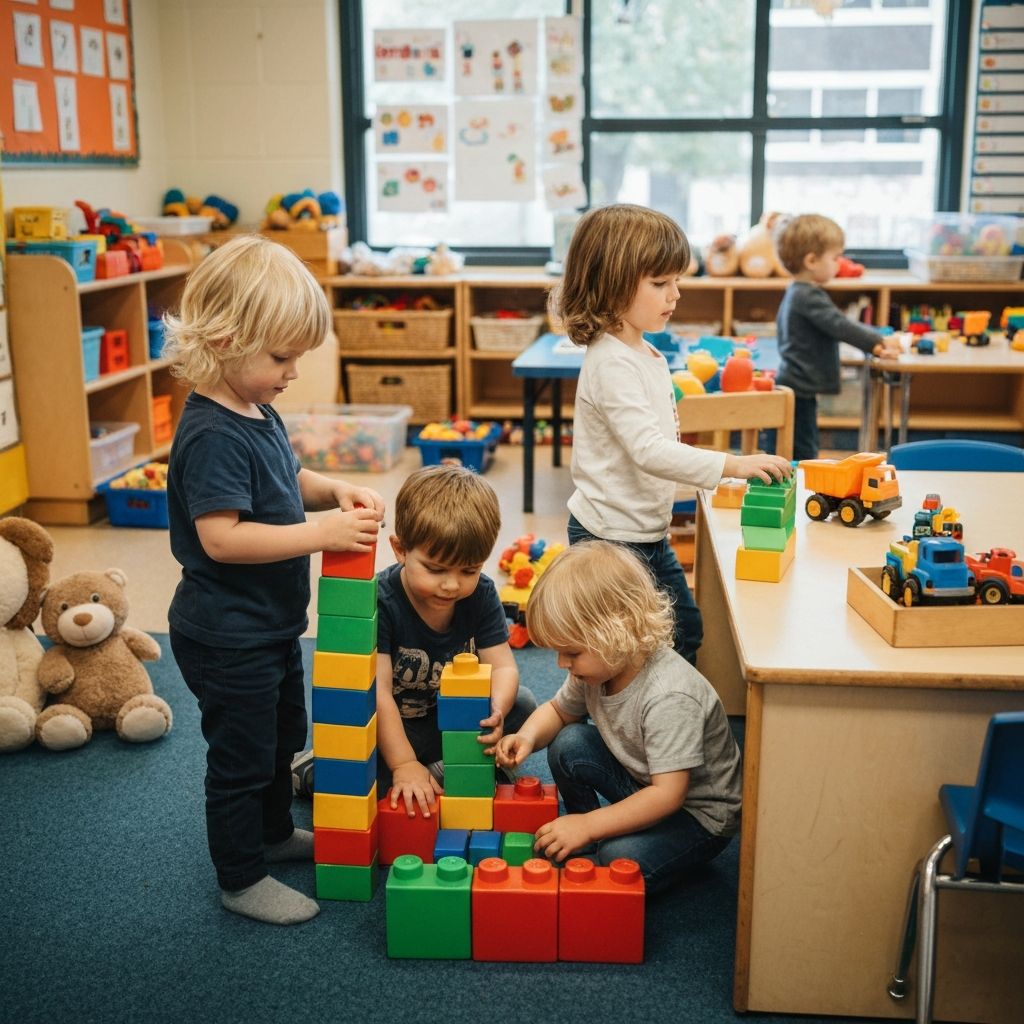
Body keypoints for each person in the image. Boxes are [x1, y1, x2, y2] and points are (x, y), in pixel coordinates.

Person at [164, 235, 385, 926]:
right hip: (226, 633)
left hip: (271, 625)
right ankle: (240, 875)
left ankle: (269, 832)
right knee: (242, 757)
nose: (292, 373)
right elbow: (221, 538)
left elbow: (285, 478)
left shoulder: (256, 408)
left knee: (284, 736)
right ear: (227, 342)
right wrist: (319, 535)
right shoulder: (211, 434)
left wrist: (329, 491)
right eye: (281, 358)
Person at [548, 203, 792, 666]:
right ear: (612, 283)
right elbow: (648, 450)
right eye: (661, 284)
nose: (675, 294)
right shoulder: (612, 361)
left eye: (677, 281)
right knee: (616, 652)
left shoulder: (641, 351)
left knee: (683, 633)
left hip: (643, 532)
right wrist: (732, 466)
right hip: (610, 539)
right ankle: (617, 729)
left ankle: (661, 721)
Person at [495, 540, 741, 894]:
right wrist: (528, 736)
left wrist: (591, 825)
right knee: (569, 742)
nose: (562, 664)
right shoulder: (597, 666)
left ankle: (595, 833)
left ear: (618, 631)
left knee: (618, 857)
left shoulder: (669, 696)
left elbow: (667, 797)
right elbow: (560, 711)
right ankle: (586, 832)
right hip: (645, 780)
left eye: (571, 652)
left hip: (696, 814)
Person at [377, 464, 537, 817]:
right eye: (435, 569)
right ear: (400, 550)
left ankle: (442, 769)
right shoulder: (382, 600)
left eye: (469, 570)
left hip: (449, 720)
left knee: (522, 705)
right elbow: (379, 692)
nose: (452, 585)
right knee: (362, 761)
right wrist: (403, 762)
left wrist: (496, 711)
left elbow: (504, 667)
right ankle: (432, 771)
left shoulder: (480, 594)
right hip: (396, 725)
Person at [775, 213, 903, 460]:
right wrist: (878, 342)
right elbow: (840, 326)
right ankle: (802, 484)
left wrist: (876, 341)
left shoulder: (800, 291)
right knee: (804, 448)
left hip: (798, 382)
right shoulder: (807, 295)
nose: (839, 263)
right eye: (835, 258)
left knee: (802, 442)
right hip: (798, 386)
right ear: (811, 260)